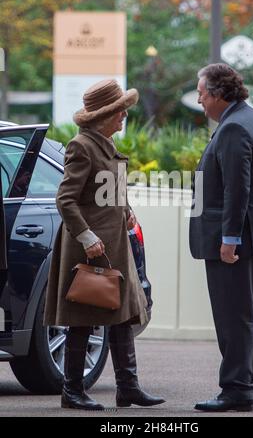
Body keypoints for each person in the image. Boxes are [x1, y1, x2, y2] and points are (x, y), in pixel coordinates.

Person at [44, 79, 165, 410]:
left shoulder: (104, 145)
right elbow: (66, 200)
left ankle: (128, 388)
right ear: (105, 115)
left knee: (123, 315)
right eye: (119, 110)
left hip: (113, 246)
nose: (124, 115)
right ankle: (72, 391)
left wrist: (125, 209)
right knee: (83, 317)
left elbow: (103, 190)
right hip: (91, 248)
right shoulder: (81, 146)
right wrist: (87, 236)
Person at [189, 63, 253, 412]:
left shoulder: (234, 127)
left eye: (201, 94)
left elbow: (236, 190)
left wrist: (229, 240)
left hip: (238, 242)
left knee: (234, 318)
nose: (199, 101)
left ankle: (237, 390)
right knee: (247, 314)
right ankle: (246, 387)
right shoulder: (249, 119)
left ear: (216, 93)